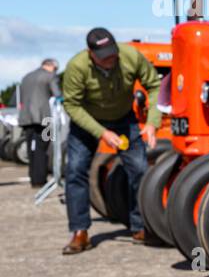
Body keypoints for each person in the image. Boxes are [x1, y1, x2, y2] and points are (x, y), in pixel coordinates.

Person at [61, 29, 160, 254]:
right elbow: (72, 106)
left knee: (140, 169)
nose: (110, 59)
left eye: (112, 53)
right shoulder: (76, 67)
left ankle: (141, 226)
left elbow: (154, 85)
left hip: (124, 118)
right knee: (76, 170)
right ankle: (80, 232)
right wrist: (102, 133)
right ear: (90, 54)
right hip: (87, 120)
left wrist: (153, 122)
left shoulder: (131, 57)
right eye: (103, 56)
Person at [17, 58, 60, 188]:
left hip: (26, 119)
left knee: (32, 148)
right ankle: (40, 179)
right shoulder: (50, 76)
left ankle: (33, 177)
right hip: (44, 118)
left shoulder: (26, 77)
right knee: (44, 147)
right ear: (51, 66)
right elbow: (57, 94)